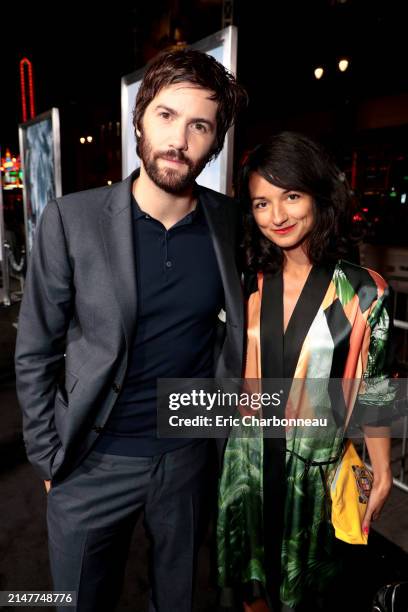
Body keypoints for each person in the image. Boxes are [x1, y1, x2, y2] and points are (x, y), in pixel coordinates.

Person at [14, 48, 247, 612]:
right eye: (166, 116)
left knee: (180, 600)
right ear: (139, 119)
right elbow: (36, 350)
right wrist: (50, 457)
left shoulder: (229, 223)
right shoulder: (72, 220)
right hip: (94, 460)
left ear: (214, 142)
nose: (179, 139)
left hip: (187, 454)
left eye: (199, 126)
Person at [217, 132, 395, 612]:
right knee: (251, 589)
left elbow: (377, 387)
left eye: (290, 196)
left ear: (317, 194)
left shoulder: (363, 292)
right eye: (261, 203)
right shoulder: (244, 283)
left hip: (316, 473)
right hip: (246, 467)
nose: (277, 216)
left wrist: (381, 469)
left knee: (311, 591)